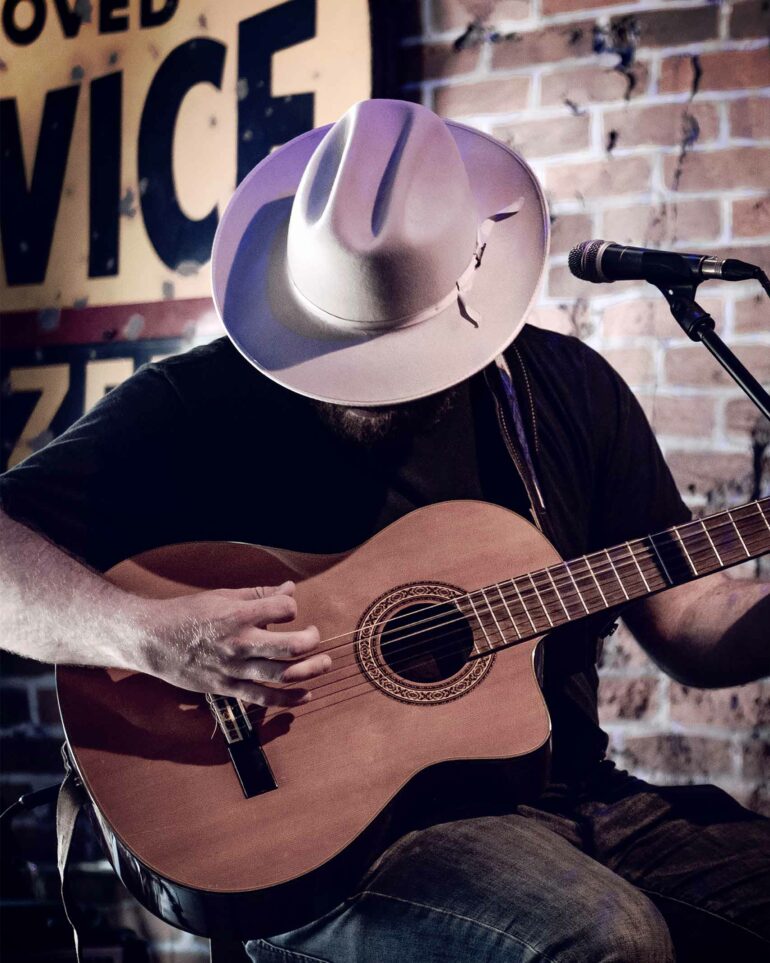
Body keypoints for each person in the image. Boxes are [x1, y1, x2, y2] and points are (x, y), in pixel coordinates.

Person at [1, 99, 768, 962]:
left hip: (585, 799)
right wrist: (150, 635)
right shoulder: (194, 406)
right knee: (607, 940)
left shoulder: (569, 391)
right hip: (344, 846)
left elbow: (689, 618)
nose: (366, 383)